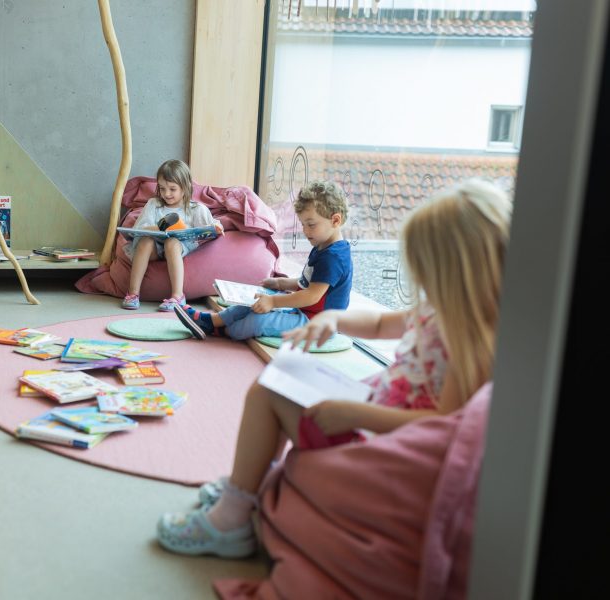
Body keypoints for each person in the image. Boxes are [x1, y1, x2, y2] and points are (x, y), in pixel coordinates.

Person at [156, 178, 512, 558]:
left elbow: (441, 428)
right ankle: (248, 485)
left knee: (266, 394)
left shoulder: (469, 343)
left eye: (428, 272)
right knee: (280, 378)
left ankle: (230, 521)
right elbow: (379, 325)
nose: (423, 284)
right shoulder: (441, 311)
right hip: (371, 411)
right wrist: (333, 322)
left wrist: (353, 413)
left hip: (377, 440)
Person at [173, 180, 352, 341]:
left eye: (311, 225)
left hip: (318, 324)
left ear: (335, 220)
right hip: (304, 312)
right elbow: (307, 284)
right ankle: (211, 320)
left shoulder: (333, 257)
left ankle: (224, 331)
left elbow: (312, 295)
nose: (305, 231)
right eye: (303, 224)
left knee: (259, 321)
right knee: (254, 301)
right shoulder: (323, 245)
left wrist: (273, 302)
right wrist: (281, 283)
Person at [120, 159, 223, 312]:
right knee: (145, 241)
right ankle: (133, 293)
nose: (166, 194)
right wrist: (159, 227)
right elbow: (140, 229)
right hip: (154, 247)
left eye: (172, 189)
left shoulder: (195, 209)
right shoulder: (154, 204)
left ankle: (177, 296)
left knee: (172, 242)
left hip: (178, 247)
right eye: (162, 188)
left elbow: (211, 227)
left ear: (186, 186)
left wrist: (217, 227)